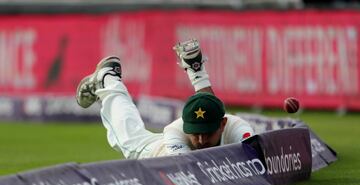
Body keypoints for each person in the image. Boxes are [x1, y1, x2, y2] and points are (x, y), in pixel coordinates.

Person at [76, 39, 254, 159]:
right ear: (185, 126)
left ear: (223, 124)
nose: (201, 141)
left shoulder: (238, 127)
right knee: (130, 143)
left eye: (207, 133)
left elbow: (256, 157)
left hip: (191, 137)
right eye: (195, 134)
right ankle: (108, 79)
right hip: (158, 152)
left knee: (208, 111)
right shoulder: (173, 133)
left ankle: (197, 71)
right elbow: (196, 173)